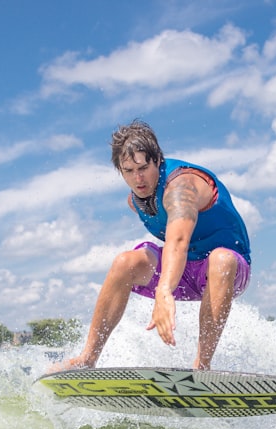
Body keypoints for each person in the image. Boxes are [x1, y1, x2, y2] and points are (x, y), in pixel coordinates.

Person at [53, 120, 252, 371]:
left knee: (221, 259)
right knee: (125, 262)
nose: (138, 178)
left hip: (228, 272)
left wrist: (164, 291)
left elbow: (178, 241)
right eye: (128, 171)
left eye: (144, 167)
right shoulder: (135, 201)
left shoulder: (181, 187)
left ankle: (202, 366)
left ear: (158, 160)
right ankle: (87, 359)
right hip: (185, 271)